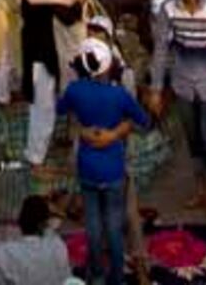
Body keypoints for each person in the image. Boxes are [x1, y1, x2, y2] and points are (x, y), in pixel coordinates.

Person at [57, 38, 151, 285]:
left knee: (93, 224)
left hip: (87, 167)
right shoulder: (119, 95)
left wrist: (82, 125)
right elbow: (144, 120)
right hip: (113, 170)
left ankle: (96, 274)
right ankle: (117, 276)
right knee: (114, 225)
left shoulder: (75, 90)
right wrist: (120, 129)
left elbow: (60, 108)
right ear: (108, 66)